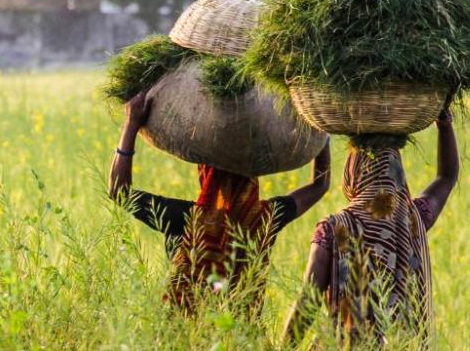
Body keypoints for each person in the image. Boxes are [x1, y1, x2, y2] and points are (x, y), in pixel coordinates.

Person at [108, 93, 331, 312]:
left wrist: (131, 124)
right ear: (252, 175)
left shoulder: (185, 219)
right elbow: (320, 185)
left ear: (205, 172)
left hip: (186, 337)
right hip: (241, 337)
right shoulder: (264, 219)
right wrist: (322, 132)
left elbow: (119, 192)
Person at [282, 103, 458, 348]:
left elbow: (307, 301)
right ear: (397, 173)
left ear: (354, 172)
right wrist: (444, 123)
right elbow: (447, 177)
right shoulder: (412, 219)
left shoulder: (335, 228)